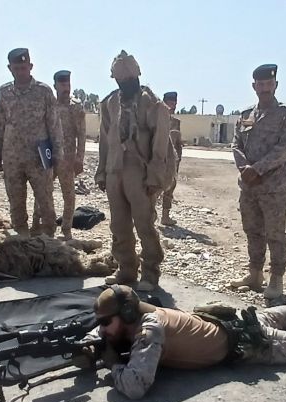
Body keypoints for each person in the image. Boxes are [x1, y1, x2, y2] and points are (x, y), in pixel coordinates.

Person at [88, 285, 286, 400]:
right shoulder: (141, 314)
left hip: (247, 342)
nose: (102, 329)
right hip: (232, 322)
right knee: (269, 315)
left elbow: (136, 386)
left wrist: (113, 364)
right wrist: (95, 343)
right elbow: (113, 337)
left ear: (127, 314)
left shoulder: (150, 328)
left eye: (105, 323)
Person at [95, 50, 171, 292]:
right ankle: (126, 269)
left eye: (129, 79)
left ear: (137, 76)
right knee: (119, 225)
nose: (125, 83)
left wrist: (155, 177)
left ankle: (150, 272)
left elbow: (160, 143)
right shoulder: (110, 103)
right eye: (121, 80)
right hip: (114, 170)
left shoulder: (152, 104)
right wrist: (101, 172)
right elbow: (105, 140)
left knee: (144, 224)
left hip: (140, 172)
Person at [229, 64, 286, 299]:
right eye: (260, 84)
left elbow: (283, 149)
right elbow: (236, 144)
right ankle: (255, 274)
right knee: (252, 230)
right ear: (254, 86)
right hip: (249, 186)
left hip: (273, 187)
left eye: (269, 84)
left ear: (276, 85)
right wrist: (244, 168)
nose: (265, 88)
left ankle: (276, 279)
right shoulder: (246, 115)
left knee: (275, 234)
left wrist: (257, 169)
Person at [0, 47, 63, 237]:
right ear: (10, 68)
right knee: (16, 202)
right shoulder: (4, 92)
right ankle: (22, 241)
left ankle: (48, 241)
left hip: (38, 157)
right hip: (12, 157)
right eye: (16, 68)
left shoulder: (43, 91)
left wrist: (57, 153)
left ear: (30, 67)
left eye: (23, 68)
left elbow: (54, 124)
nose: (20, 72)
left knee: (45, 202)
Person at [45, 70, 86, 239]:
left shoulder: (75, 106)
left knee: (69, 195)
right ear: (55, 86)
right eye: (62, 85)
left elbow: (81, 134)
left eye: (68, 84)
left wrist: (79, 158)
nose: (66, 88)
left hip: (67, 159)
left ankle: (66, 229)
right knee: (43, 192)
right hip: (48, 157)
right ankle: (43, 227)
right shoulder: (49, 105)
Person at [160, 91, 183, 226]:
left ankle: (165, 216)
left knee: (170, 187)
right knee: (153, 188)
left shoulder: (176, 122)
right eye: (171, 103)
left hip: (171, 161)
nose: (173, 105)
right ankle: (150, 216)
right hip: (157, 160)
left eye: (175, 103)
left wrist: (177, 161)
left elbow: (178, 144)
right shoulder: (156, 119)